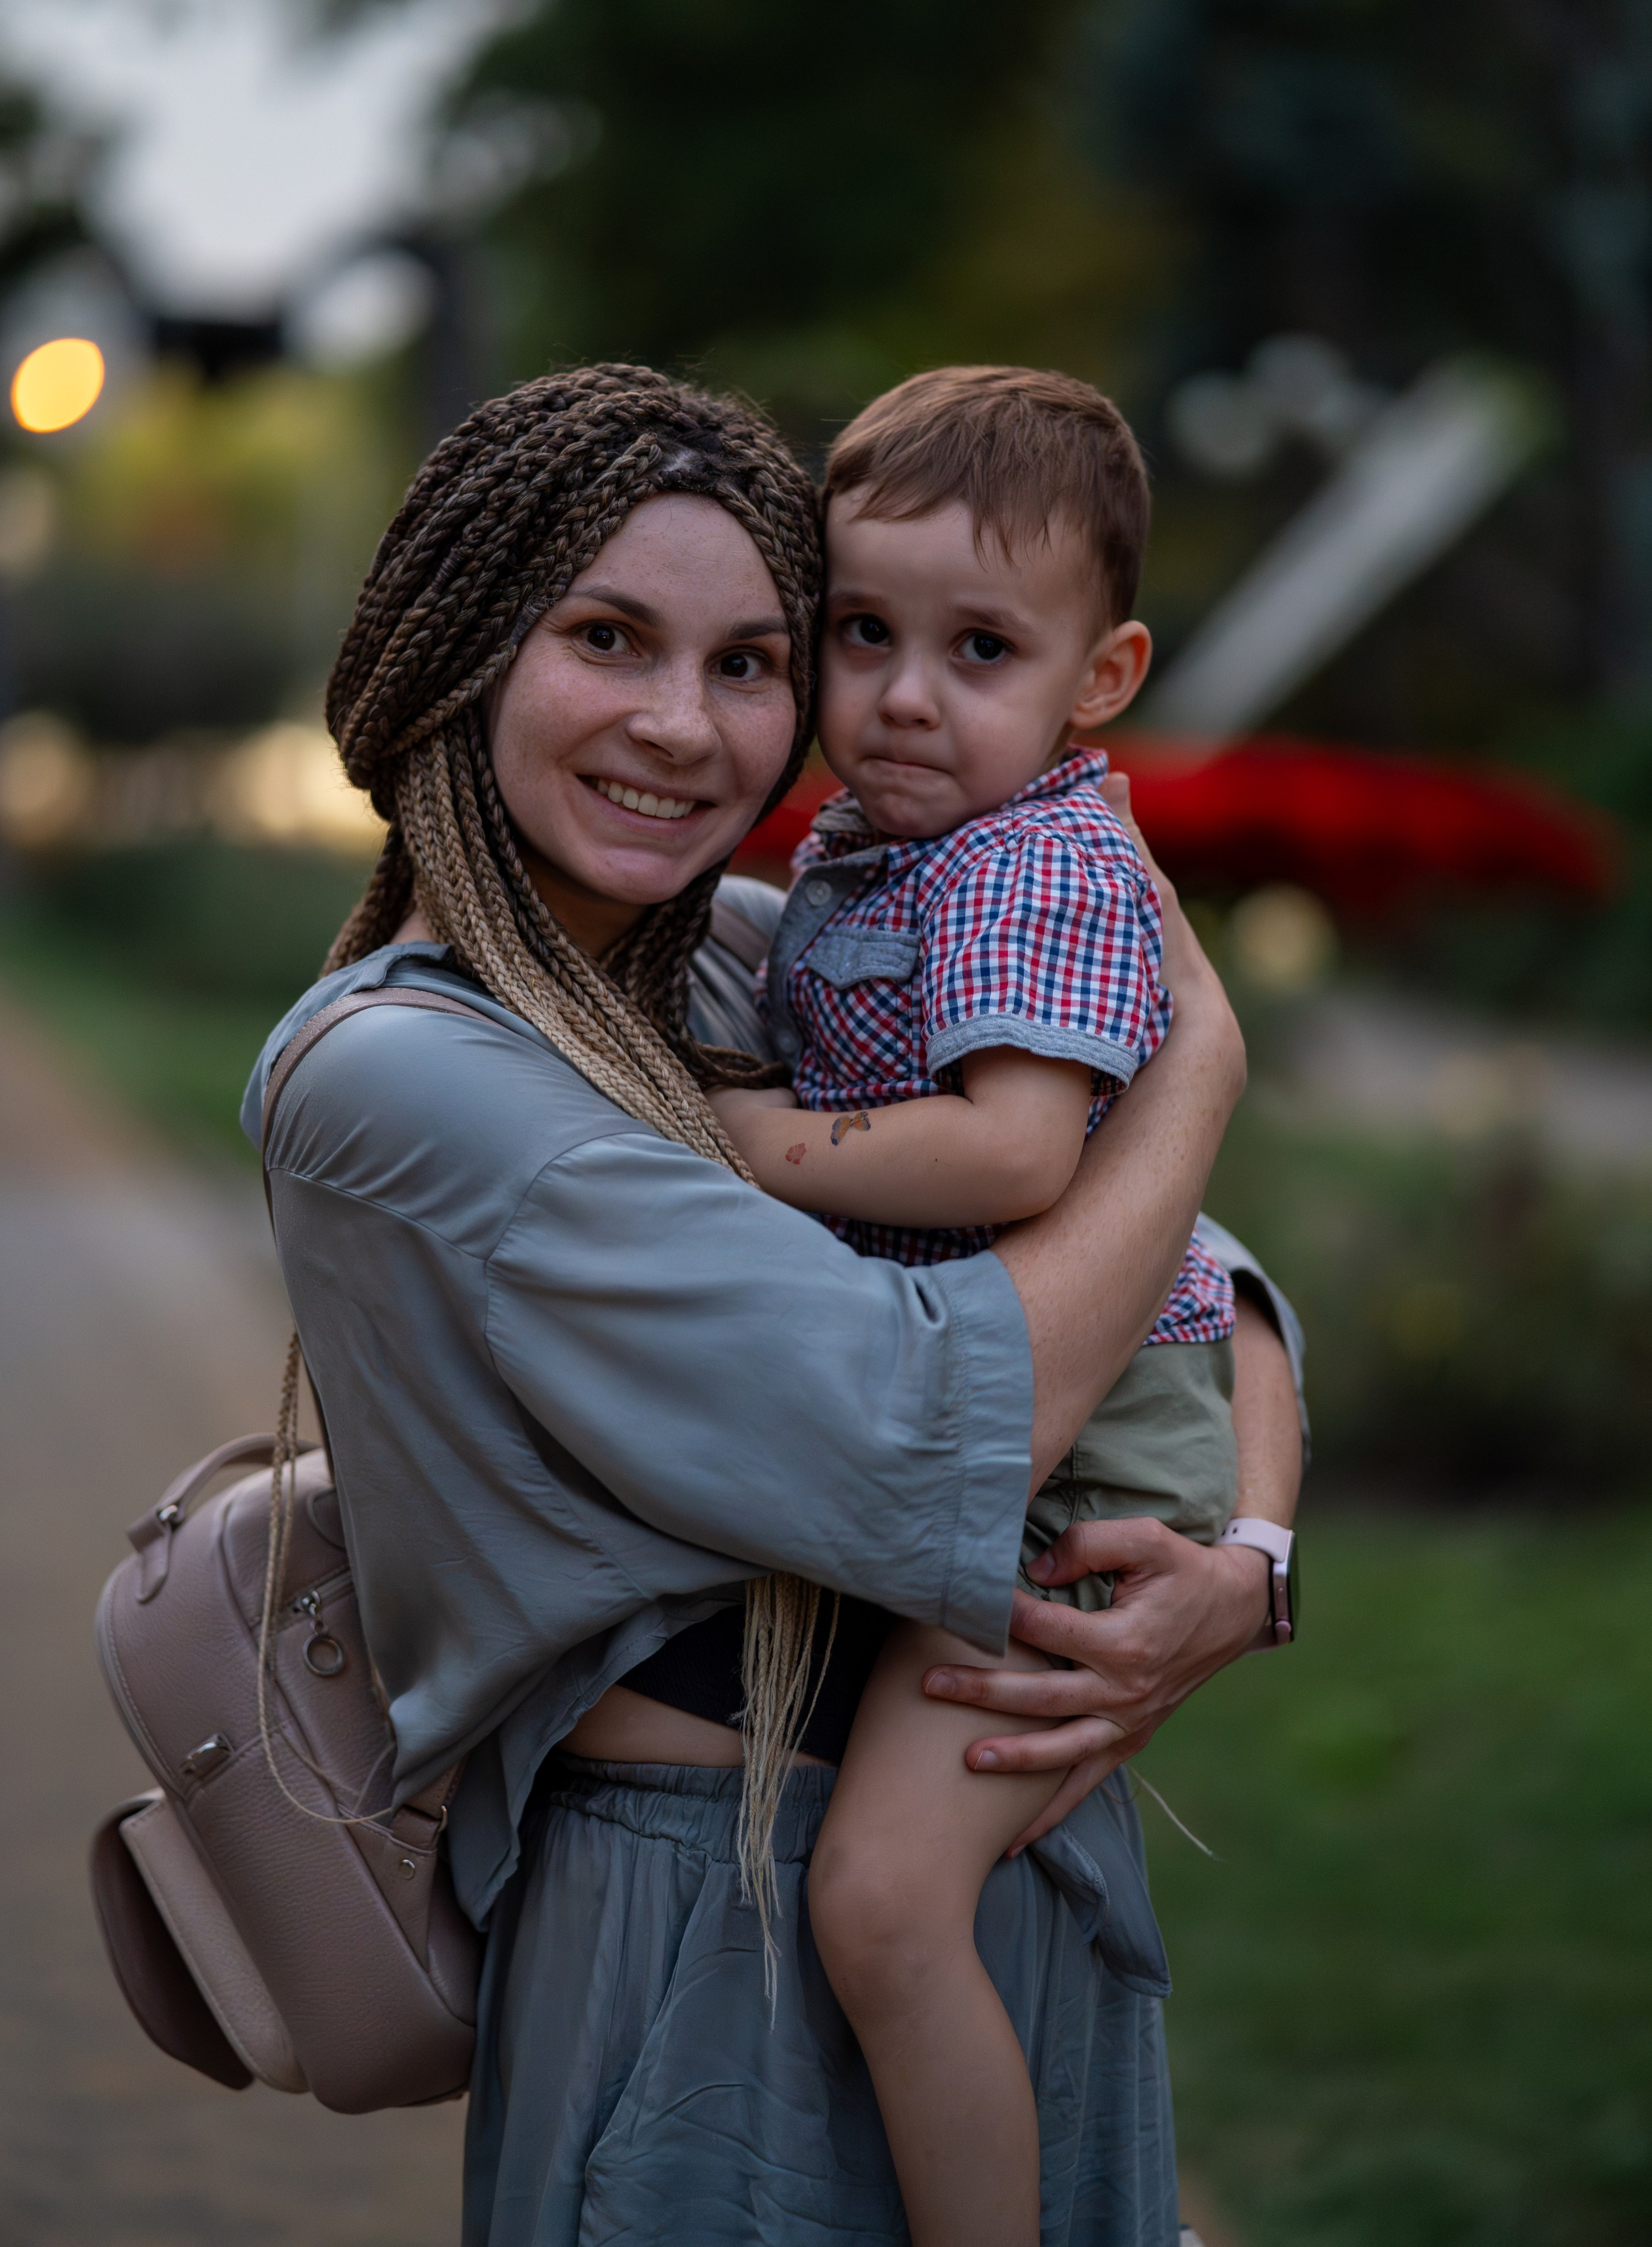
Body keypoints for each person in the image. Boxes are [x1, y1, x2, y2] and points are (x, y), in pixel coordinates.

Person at [244, 364, 1302, 2247]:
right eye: (610, 639)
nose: (685, 723)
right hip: (701, 1932)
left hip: (985, 1830)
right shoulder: (407, 1076)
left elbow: (1187, 1276)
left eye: (747, 661)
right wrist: (1207, 1060)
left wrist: (1253, 1569)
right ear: (465, 652)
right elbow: (940, 1418)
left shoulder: (744, 957)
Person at [710, 367, 1242, 2247]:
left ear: (1100, 680)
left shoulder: (1035, 858)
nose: (906, 696)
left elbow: (1015, 1153)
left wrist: (754, 1140)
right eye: (864, 633)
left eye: (982, 647)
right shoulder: (887, 849)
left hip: (1075, 1441)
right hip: (1003, 1387)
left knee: (881, 1897)